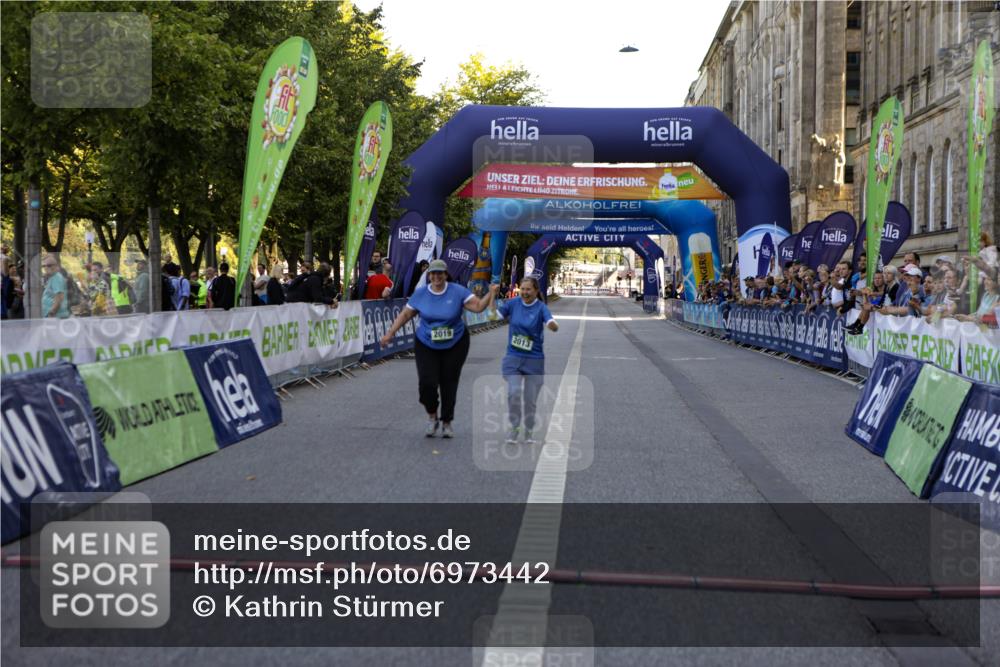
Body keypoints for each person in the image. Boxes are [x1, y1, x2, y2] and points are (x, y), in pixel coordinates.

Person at [380, 259, 498, 438]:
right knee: (427, 382)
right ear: (429, 275)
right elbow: (405, 314)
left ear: (445, 274)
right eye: (433, 274)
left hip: (456, 343)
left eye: (440, 273)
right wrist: (390, 334)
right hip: (426, 343)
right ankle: (432, 416)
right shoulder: (420, 294)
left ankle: (447, 422)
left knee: (449, 382)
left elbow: (478, 307)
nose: (436, 277)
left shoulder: (457, 291)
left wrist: (491, 293)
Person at [493, 276, 558, 444]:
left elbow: (551, 321)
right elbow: (495, 317)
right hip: (513, 358)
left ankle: (528, 430)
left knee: (530, 400)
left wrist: (552, 325)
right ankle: (514, 428)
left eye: (528, 289)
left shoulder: (541, 308)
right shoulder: (513, 304)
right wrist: (492, 297)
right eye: (523, 289)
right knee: (514, 393)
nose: (525, 292)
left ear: (536, 291)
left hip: (534, 359)